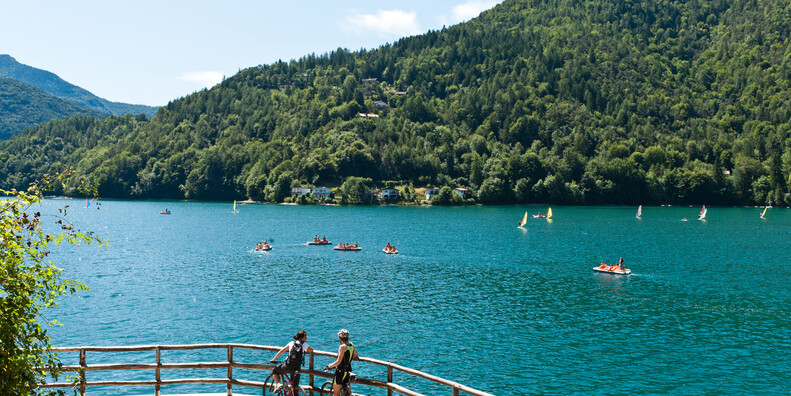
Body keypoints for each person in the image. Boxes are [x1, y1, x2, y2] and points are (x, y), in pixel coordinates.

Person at [324, 329, 358, 396]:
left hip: (340, 371)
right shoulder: (351, 345)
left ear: (340, 338)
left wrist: (330, 365)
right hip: (347, 370)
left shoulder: (342, 346)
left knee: (336, 393)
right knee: (346, 390)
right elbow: (355, 355)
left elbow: (338, 361)